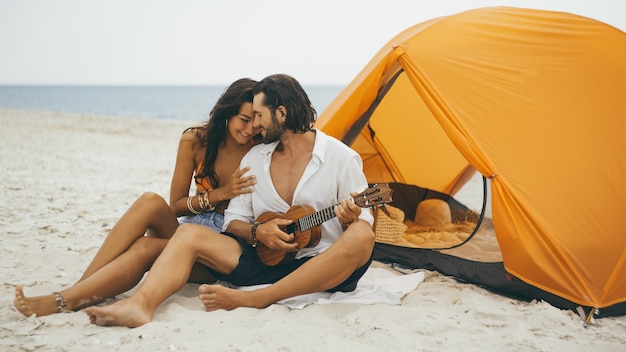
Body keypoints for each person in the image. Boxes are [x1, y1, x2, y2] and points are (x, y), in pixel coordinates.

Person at [83, 73, 376, 328]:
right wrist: (256, 232)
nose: (256, 125)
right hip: (267, 261)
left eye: (260, 115)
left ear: (282, 114)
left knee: (363, 234)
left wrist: (351, 219)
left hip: (322, 264)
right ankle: (140, 305)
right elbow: (234, 220)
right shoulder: (255, 157)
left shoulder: (341, 158)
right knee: (187, 232)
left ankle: (257, 298)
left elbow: (363, 220)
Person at [13, 78, 260, 317]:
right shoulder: (195, 141)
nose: (249, 130)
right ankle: (82, 286)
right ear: (227, 112)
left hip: (217, 246)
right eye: (244, 120)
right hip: (189, 226)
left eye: (255, 123)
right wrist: (220, 194)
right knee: (150, 200)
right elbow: (175, 206)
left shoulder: (258, 149)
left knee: (144, 246)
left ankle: (66, 299)